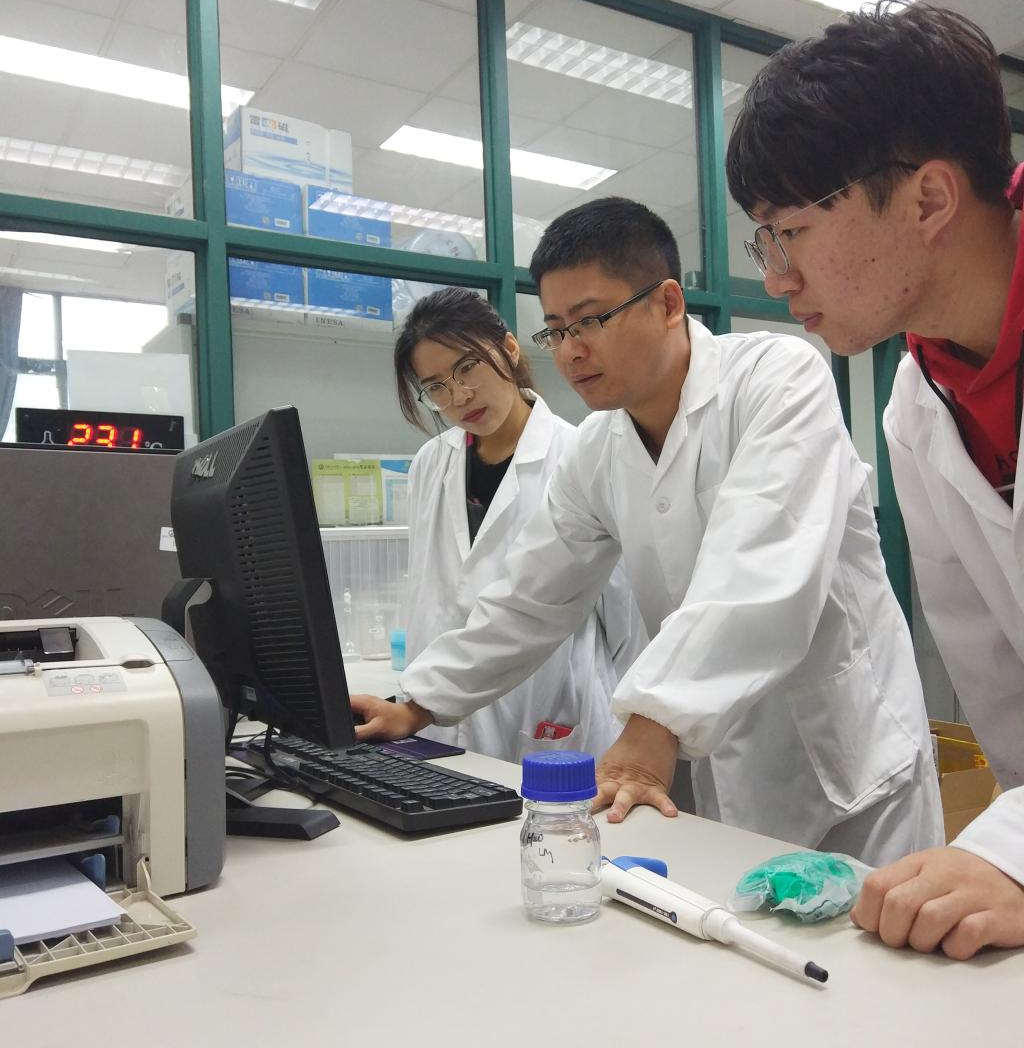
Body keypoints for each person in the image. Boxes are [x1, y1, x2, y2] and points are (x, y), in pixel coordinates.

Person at [352, 198, 943, 868]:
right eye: (555, 330)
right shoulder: (597, 449)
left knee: (876, 933)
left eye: (591, 321)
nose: (571, 350)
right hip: (727, 774)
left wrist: (655, 723)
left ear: (667, 303)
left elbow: (759, 569)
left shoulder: (777, 377)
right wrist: (420, 703)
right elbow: (531, 599)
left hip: (851, 770)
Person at [725, 0, 1024, 960]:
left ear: (928, 200)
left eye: (789, 231)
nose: (776, 277)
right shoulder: (918, 403)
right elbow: (1003, 691)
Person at [391, 286, 645, 763]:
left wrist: (635, 729)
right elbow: (429, 594)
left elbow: (626, 617)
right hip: (441, 726)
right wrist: (416, 698)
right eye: (436, 387)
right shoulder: (430, 463)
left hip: (551, 711)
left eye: (468, 367)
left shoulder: (578, 455)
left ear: (509, 348)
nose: (459, 396)